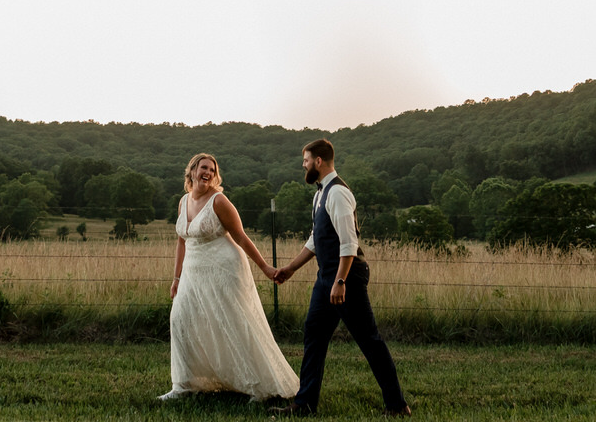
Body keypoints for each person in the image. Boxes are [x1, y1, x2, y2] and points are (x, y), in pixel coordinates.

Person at [269, 138, 410, 416]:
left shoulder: (338, 193)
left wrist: (340, 282)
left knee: (370, 341)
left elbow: (349, 243)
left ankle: (397, 405)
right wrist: (291, 268)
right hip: (326, 279)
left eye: (306, 160)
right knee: (314, 335)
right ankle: (305, 404)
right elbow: (315, 239)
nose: (304, 165)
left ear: (319, 161)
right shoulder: (319, 194)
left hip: (348, 280)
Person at [159, 152, 300, 402]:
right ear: (191, 171)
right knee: (180, 319)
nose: (208, 173)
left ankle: (259, 386)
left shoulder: (219, 202)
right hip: (192, 273)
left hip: (224, 269)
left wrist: (266, 268)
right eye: (203, 167)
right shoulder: (183, 201)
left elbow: (241, 237)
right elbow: (182, 241)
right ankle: (183, 385)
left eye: (212, 170)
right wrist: (176, 278)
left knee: (234, 324)